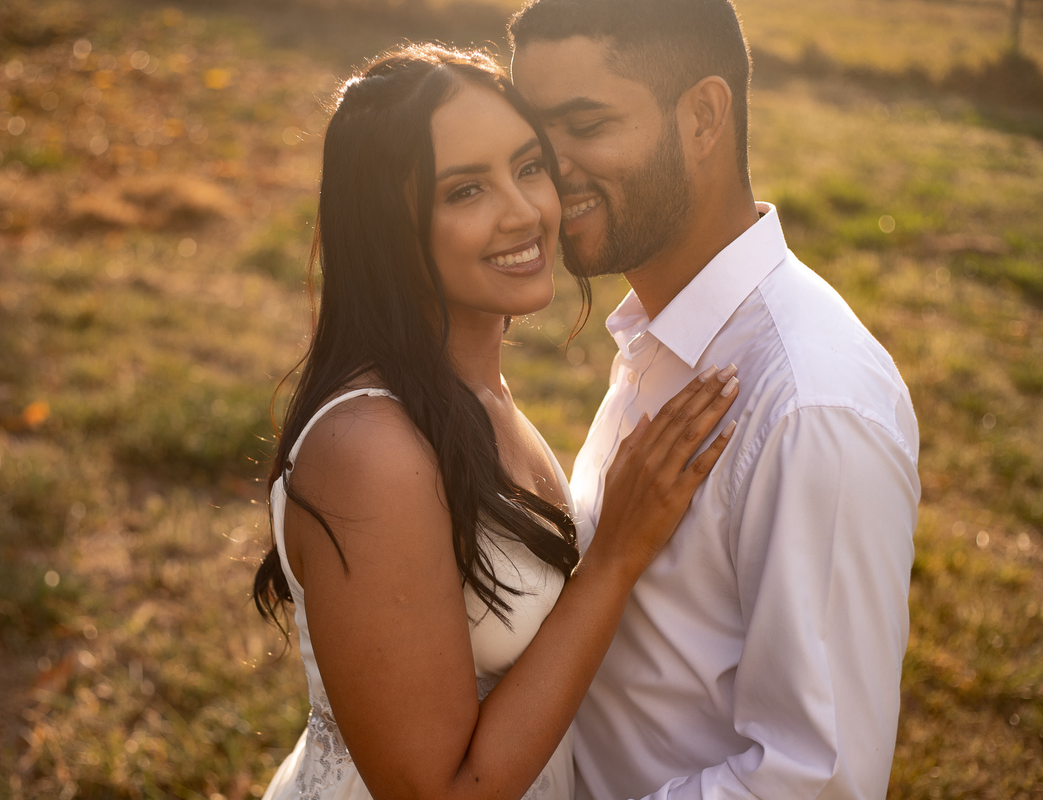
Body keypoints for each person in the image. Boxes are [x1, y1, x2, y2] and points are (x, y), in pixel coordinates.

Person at [252, 44, 740, 800]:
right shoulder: (371, 451)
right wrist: (611, 561)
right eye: (466, 190)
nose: (525, 211)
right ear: (390, 228)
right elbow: (437, 792)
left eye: (529, 166)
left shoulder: (475, 397)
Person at [508, 1, 921, 798]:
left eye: (585, 124)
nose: (547, 175)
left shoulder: (810, 406)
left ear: (703, 117)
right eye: (536, 134)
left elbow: (816, 779)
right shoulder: (665, 334)